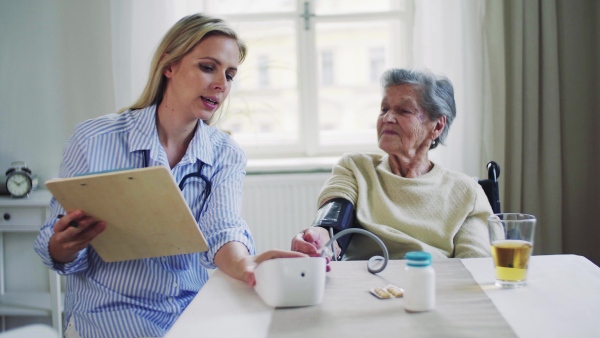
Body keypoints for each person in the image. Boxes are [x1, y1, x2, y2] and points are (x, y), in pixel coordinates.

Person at [35, 13, 304, 338]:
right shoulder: (94, 140)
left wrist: (246, 264)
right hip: (106, 314)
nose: (221, 84)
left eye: (230, 74)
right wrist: (63, 246)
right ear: (170, 65)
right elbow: (58, 245)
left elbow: (223, 228)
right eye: (208, 67)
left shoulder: (226, 154)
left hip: (187, 312)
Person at [291, 68, 495, 262]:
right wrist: (321, 237)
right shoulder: (356, 168)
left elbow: (474, 266)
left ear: (437, 125)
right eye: (384, 109)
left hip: (432, 288)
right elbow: (334, 221)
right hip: (367, 286)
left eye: (404, 111)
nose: (387, 118)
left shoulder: (467, 192)